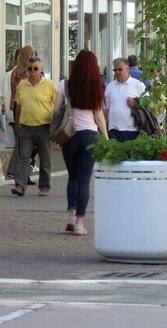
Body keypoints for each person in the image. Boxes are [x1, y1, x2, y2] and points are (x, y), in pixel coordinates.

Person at [57, 50, 108, 236]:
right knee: (84, 180)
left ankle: (70, 217)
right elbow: (99, 115)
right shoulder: (97, 86)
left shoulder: (65, 85)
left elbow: (56, 110)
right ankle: (79, 222)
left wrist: (55, 135)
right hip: (89, 136)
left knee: (73, 177)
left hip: (69, 135)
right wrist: (106, 137)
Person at [12, 56, 56, 197]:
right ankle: (20, 186)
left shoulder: (49, 84)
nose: (32, 72)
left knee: (45, 158)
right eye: (29, 69)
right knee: (23, 157)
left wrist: (55, 127)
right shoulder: (22, 84)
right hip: (26, 127)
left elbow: (58, 105)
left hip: (44, 126)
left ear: (41, 70)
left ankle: (44, 186)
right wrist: (17, 123)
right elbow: (18, 106)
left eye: (35, 69)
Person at [7, 45, 37, 182]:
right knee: (28, 142)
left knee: (22, 141)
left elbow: (14, 91)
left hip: (16, 106)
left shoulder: (15, 72)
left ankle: (19, 172)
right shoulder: (27, 72)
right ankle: (18, 171)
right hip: (26, 107)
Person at [106, 57, 146, 141]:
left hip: (133, 130)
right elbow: (106, 108)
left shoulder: (138, 85)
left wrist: (136, 103)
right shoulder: (110, 86)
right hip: (114, 130)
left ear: (127, 70)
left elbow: (148, 105)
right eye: (115, 70)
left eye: (120, 69)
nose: (117, 72)